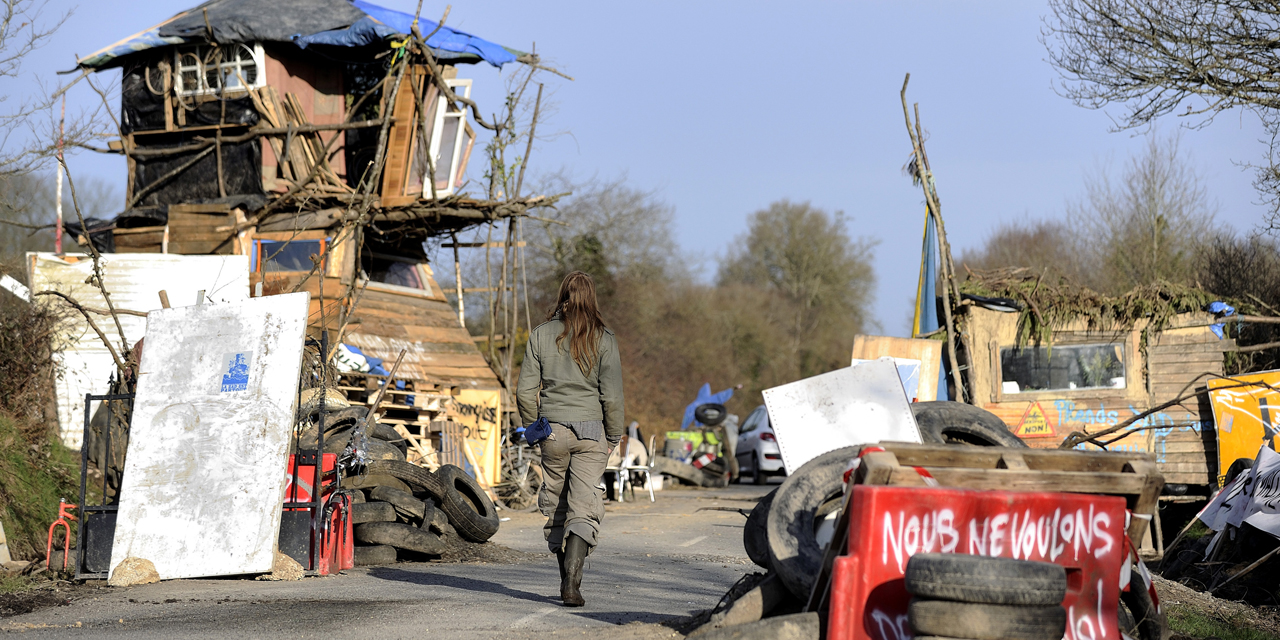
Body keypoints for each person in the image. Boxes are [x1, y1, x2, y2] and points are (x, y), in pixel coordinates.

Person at [516, 271, 625, 607]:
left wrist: (535, 427)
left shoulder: (540, 335)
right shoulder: (604, 338)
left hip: (553, 432)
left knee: (557, 507)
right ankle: (572, 585)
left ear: (562, 294)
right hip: (592, 433)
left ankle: (567, 580)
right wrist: (614, 435)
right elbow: (613, 397)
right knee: (584, 507)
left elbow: (524, 392)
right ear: (591, 298)